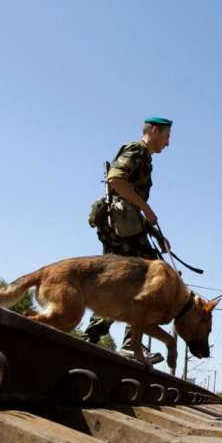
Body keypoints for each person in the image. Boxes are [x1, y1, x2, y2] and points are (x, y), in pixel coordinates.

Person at [82, 117, 173, 364]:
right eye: (166, 137)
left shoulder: (145, 156)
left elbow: (129, 199)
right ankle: (131, 345)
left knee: (117, 282)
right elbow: (116, 179)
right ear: (154, 131)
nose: (168, 143)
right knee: (152, 277)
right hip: (121, 230)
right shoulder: (138, 150)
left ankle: (91, 337)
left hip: (123, 228)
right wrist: (147, 208)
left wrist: (155, 234)